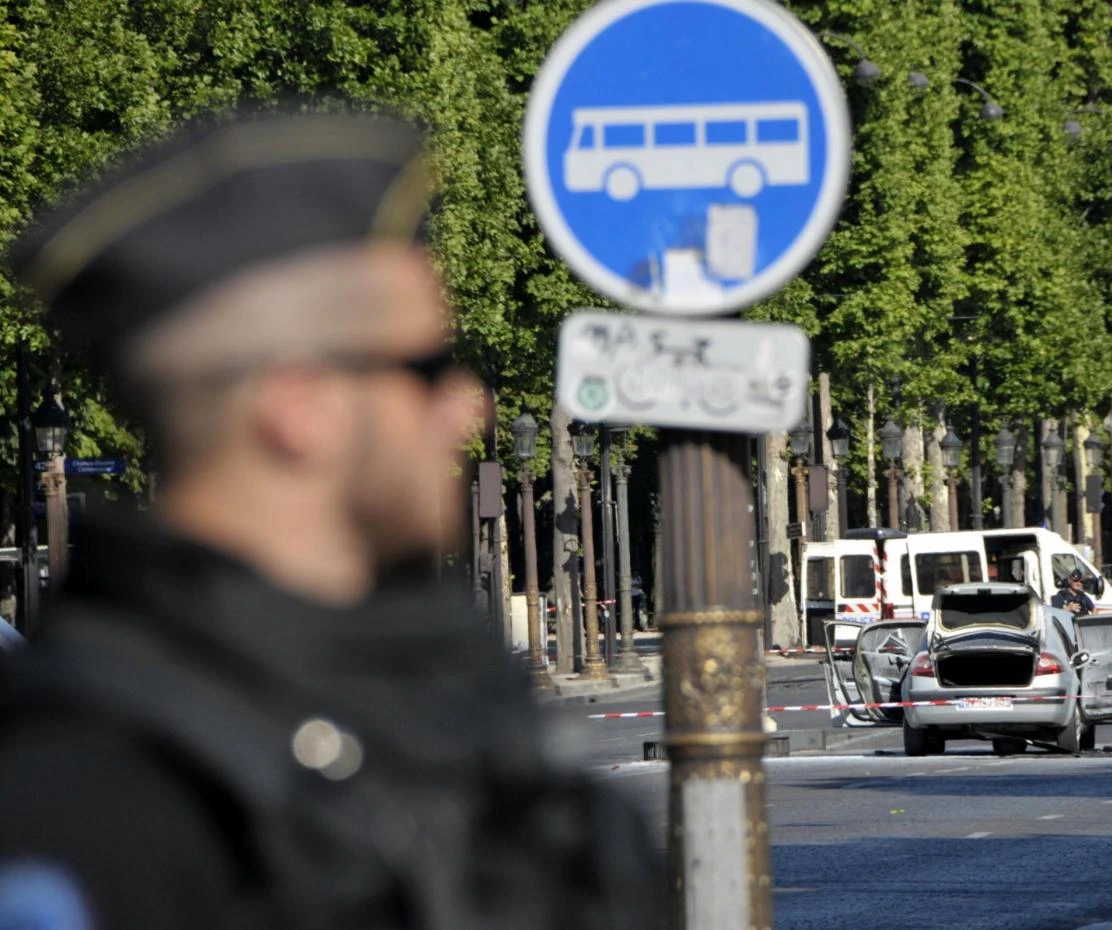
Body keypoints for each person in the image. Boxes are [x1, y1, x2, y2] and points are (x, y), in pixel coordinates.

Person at [0, 110, 662, 930]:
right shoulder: (89, 813)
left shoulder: (451, 719)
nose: (470, 406)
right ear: (299, 407)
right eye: (427, 368)